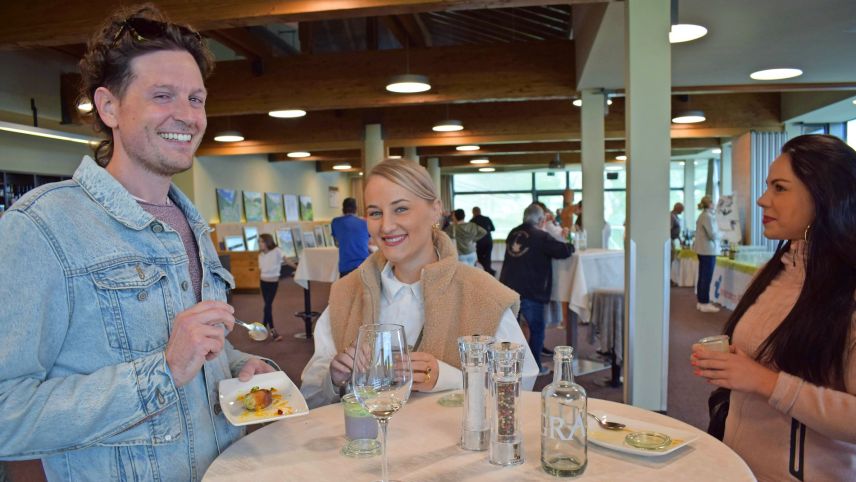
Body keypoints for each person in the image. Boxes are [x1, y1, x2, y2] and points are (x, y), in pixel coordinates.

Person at [0, 6, 273, 480]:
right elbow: (6, 414)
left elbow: (201, 354)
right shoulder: (41, 228)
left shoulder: (191, 225)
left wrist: (244, 365)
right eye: (162, 96)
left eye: (196, 98)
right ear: (109, 108)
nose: (187, 116)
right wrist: (162, 371)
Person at [300, 159, 537, 408]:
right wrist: (334, 379)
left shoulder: (484, 296)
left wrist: (448, 377)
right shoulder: (346, 293)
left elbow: (520, 387)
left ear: (435, 210)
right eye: (375, 213)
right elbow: (310, 395)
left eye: (401, 209)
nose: (387, 226)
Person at [691, 134, 856, 480]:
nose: (763, 200)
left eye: (780, 188)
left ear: (824, 195)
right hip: (738, 468)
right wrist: (733, 364)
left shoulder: (847, 292)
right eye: (768, 187)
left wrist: (765, 382)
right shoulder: (777, 270)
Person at [500, 203, 573, 376]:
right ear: (541, 220)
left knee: (512, 330)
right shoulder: (541, 236)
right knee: (537, 329)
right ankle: (535, 367)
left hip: (508, 288)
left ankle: (509, 368)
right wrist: (571, 244)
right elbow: (563, 251)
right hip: (532, 290)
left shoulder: (513, 233)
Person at [693, 195, 721, 312]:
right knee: (706, 277)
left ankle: (701, 301)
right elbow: (713, 235)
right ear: (709, 204)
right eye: (713, 202)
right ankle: (704, 302)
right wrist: (723, 234)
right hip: (708, 251)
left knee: (703, 276)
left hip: (703, 250)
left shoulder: (703, 216)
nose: (714, 204)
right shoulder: (708, 217)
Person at [331, 197, 370, 277]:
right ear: (356, 209)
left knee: (345, 289)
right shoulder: (364, 223)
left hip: (345, 267)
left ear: (343, 209)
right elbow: (368, 242)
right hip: (364, 266)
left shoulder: (335, 222)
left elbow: (337, 243)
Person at [258, 233, 284, 341]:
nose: (260, 244)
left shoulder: (277, 251)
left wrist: (298, 268)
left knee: (267, 305)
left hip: (273, 282)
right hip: (263, 282)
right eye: (259, 241)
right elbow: (261, 269)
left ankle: (268, 330)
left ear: (268, 241)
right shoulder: (260, 255)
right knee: (267, 306)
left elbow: (286, 260)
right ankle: (266, 330)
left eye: (262, 241)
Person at [470, 206, 496, 275]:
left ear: (473, 212)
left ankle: (488, 270)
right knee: (488, 256)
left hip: (479, 242)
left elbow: (471, 233)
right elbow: (493, 229)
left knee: (479, 257)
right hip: (489, 241)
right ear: (480, 211)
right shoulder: (487, 218)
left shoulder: (472, 221)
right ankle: (489, 270)